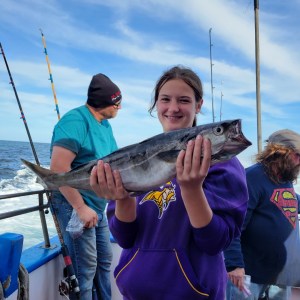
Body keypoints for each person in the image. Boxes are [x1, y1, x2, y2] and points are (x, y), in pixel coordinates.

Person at [89, 65, 249, 299]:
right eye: (165, 99)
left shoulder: (224, 165)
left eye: (184, 100)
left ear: (199, 105)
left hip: (195, 293)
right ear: (156, 104)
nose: (173, 108)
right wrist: (123, 197)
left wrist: (192, 189)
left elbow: (216, 242)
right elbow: (124, 238)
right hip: (135, 293)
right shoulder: (135, 159)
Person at [50, 73, 122, 300]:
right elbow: (58, 168)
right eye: (117, 102)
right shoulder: (75, 121)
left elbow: (115, 162)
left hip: (98, 208)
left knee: (104, 264)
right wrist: (80, 208)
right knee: (85, 269)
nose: (120, 107)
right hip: (75, 206)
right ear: (106, 102)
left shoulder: (106, 126)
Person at [225, 129, 300, 300]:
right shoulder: (252, 178)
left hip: (280, 276)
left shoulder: (284, 178)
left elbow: (290, 200)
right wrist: (234, 265)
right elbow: (234, 225)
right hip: (249, 276)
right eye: (298, 155)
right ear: (280, 152)